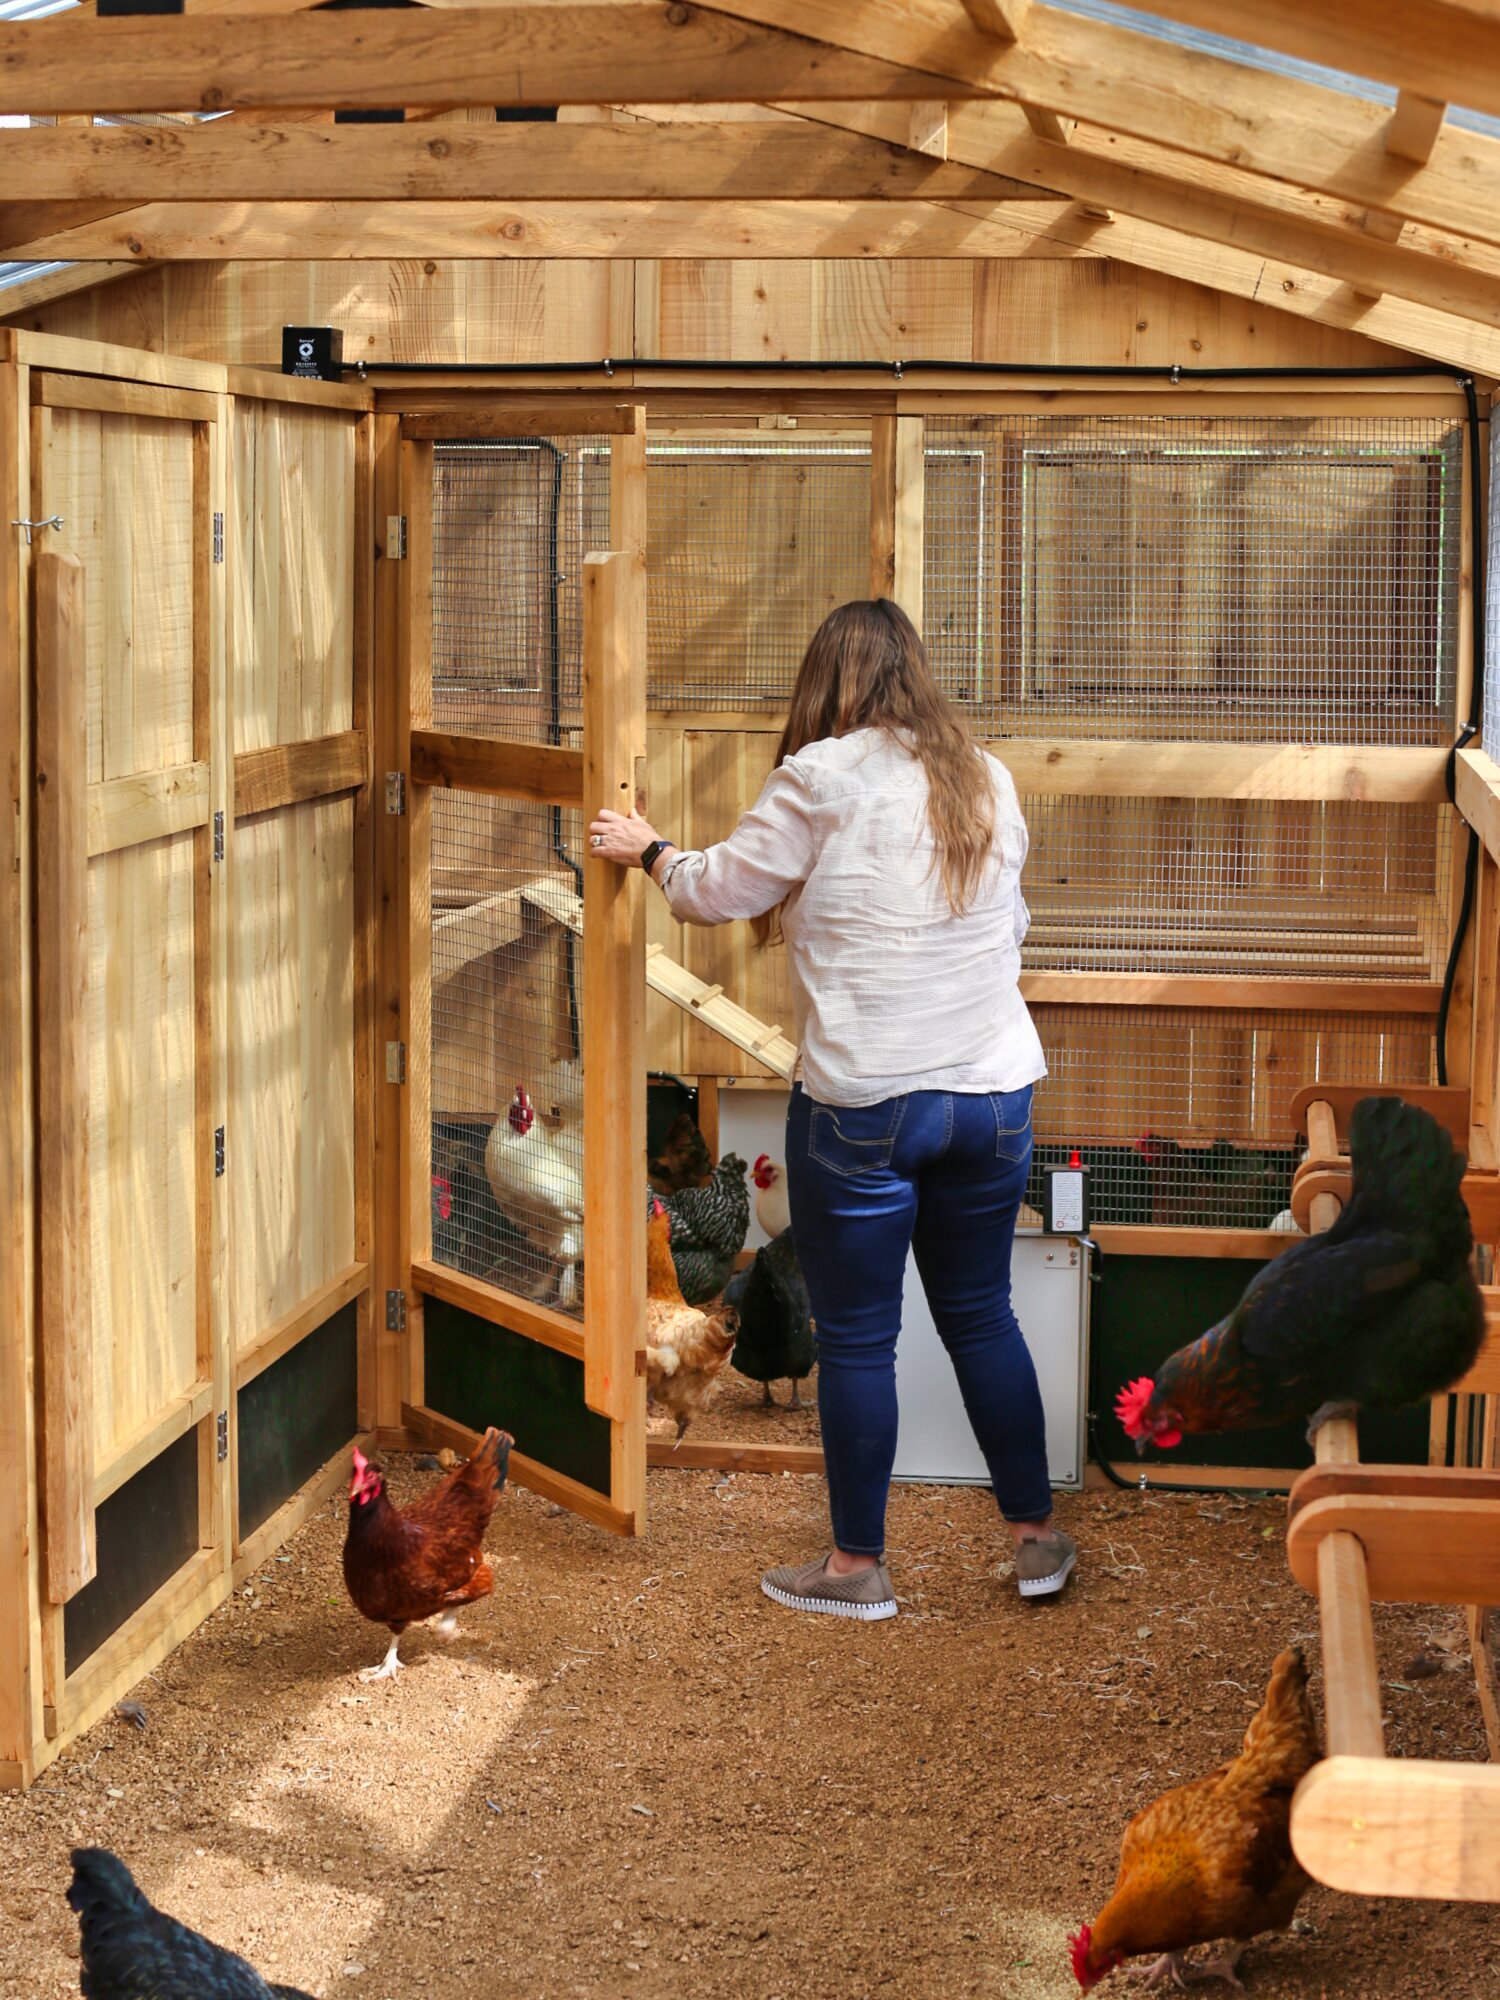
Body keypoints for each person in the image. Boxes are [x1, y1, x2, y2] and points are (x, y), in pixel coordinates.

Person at [588, 598, 1073, 1622]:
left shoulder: (822, 776)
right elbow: (1012, 922)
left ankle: (858, 1568)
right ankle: (1036, 1540)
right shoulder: (986, 778)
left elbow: (714, 890)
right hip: (992, 1094)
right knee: (983, 1314)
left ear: (830, 683)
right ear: (917, 675)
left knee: (858, 1339)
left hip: (866, 1102)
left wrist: (649, 847)